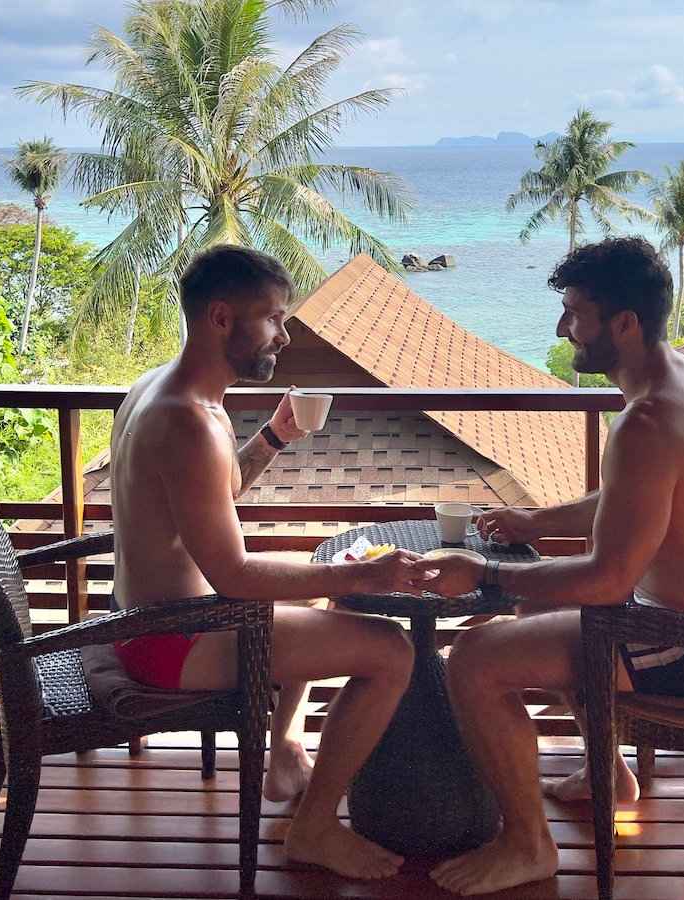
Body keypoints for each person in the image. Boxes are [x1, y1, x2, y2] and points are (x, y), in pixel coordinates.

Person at [423, 236, 684, 896]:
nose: (562, 328)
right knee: (550, 616)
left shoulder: (647, 422)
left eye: (574, 312)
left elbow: (606, 580)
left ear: (624, 324)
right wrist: (538, 523)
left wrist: (484, 574)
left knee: (475, 659)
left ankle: (527, 845)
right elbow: (639, 502)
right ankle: (608, 776)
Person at [110, 244, 439, 880]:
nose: (285, 336)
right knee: (390, 650)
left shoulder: (166, 388)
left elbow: (213, 492)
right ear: (222, 317)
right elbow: (234, 576)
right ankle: (314, 829)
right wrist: (364, 574)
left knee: (317, 580)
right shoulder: (188, 420)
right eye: (274, 318)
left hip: (158, 620)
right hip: (169, 641)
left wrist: (274, 436)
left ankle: (284, 750)